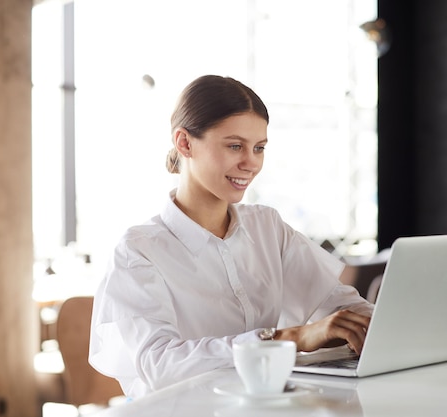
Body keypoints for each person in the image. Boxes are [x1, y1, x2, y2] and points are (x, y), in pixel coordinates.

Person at [89, 74, 373, 399]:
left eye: (259, 148)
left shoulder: (268, 226)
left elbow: (335, 302)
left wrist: (380, 320)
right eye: (235, 146)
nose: (251, 163)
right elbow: (161, 364)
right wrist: (288, 338)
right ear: (184, 143)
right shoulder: (139, 250)